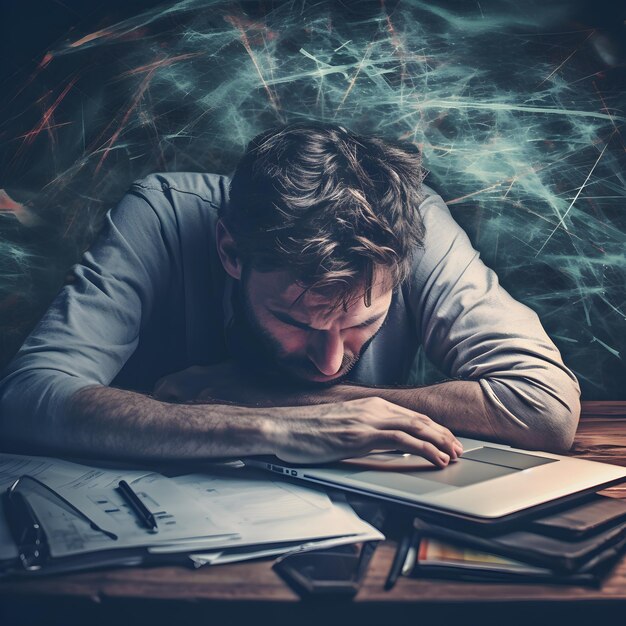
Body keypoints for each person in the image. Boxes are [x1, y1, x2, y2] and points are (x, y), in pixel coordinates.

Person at [0, 123, 580, 466]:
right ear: (231, 251)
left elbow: (546, 409)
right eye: (297, 322)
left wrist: (268, 397)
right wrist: (270, 428)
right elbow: (27, 395)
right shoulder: (162, 217)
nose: (330, 362)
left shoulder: (415, 227)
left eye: (361, 323)